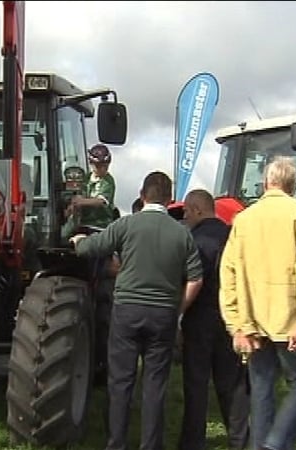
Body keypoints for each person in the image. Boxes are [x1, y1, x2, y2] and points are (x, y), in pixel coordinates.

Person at [70, 171, 203, 450]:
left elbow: (91, 249)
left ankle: (116, 443)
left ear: (142, 196)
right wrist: (178, 312)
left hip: (127, 311)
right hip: (163, 315)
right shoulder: (183, 234)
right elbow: (195, 278)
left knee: (120, 381)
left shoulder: (125, 225)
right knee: (155, 385)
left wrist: (79, 240)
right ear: (169, 200)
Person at [219, 156, 296, 450]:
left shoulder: (243, 219)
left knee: (262, 387)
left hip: (253, 319)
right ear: (293, 185)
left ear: (265, 183)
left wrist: (236, 323)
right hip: (291, 318)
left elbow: (228, 272)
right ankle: (276, 442)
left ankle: (262, 445)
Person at [178, 189, 250, 450]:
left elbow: (186, 280)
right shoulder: (233, 237)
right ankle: (240, 440)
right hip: (231, 318)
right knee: (232, 384)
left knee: (196, 384)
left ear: (198, 209)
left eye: (187, 211)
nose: (185, 216)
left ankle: (192, 443)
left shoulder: (193, 241)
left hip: (198, 317)